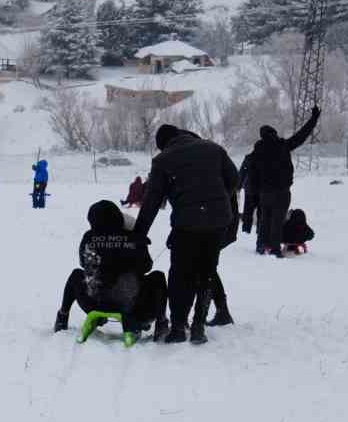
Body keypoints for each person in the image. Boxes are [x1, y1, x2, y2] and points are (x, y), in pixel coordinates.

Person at [133, 124, 240, 345]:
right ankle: (199, 326)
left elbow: (151, 202)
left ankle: (179, 327)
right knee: (207, 270)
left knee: (180, 274)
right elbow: (235, 180)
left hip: (187, 224)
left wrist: (138, 235)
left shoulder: (163, 160)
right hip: (218, 222)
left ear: (163, 145)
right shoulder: (213, 148)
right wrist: (216, 200)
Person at [54, 200, 168, 340]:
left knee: (76, 274)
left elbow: (84, 264)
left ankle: (62, 316)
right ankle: (162, 322)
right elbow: (146, 266)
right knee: (158, 277)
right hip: (132, 306)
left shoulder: (89, 237)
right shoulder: (134, 237)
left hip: (94, 303)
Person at [248, 106, 321, 258]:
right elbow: (301, 136)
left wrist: (255, 192)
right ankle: (275, 248)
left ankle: (261, 245)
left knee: (264, 219)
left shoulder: (257, 151)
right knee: (277, 219)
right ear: (274, 134)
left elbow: (252, 174)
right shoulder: (283, 146)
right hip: (282, 191)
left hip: (265, 192)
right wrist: (313, 119)